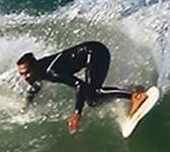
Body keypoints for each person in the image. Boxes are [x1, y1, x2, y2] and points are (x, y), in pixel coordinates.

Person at [17, 41, 148, 133]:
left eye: (27, 72)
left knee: (94, 95)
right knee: (92, 100)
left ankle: (135, 96)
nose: (25, 77)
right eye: (22, 74)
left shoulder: (52, 72)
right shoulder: (38, 71)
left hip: (96, 52)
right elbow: (36, 86)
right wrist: (26, 104)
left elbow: (80, 85)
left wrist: (76, 114)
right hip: (92, 52)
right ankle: (130, 89)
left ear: (35, 67)